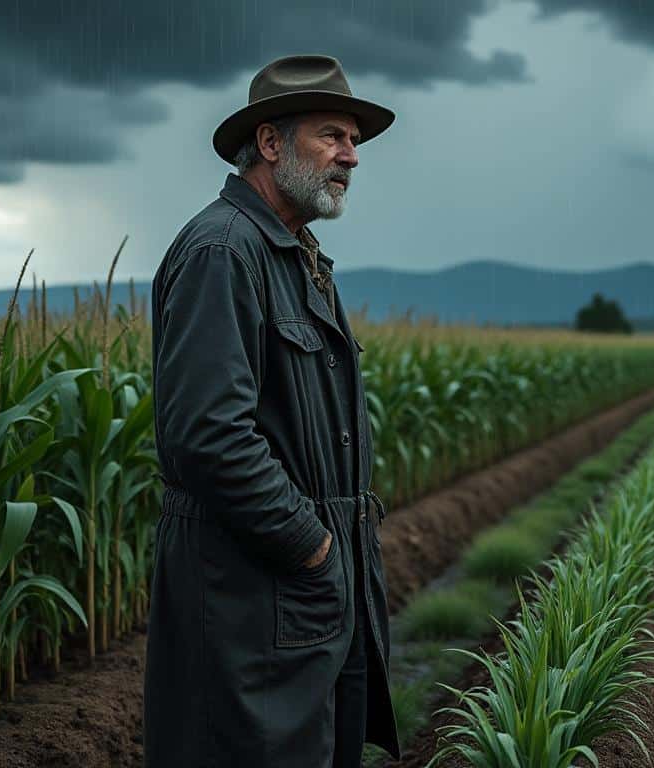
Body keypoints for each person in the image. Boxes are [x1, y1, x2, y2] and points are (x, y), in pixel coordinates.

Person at [145, 54, 400, 767]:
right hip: (253, 596)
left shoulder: (296, 254)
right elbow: (209, 436)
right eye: (332, 136)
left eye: (354, 140)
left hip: (300, 599)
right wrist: (313, 547)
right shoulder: (224, 251)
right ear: (269, 143)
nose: (352, 156)